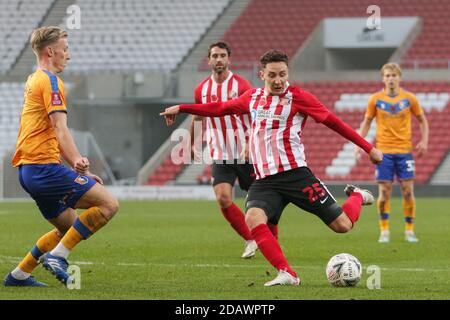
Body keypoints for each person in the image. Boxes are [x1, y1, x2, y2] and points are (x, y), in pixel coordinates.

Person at [161, 49, 383, 286]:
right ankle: (287, 273)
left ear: (288, 73)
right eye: (272, 75)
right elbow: (220, 109)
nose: (278, 80)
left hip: (296, 175)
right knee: (254, 218)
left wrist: (369, 148)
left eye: (282, 75)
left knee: (342, 226)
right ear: (262, 74)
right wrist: (182, 108)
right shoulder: (253, 98)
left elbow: (334, 123)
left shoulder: (299, 98)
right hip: (265, 180)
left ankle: (358, 196)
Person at [3, 26, 119, 287]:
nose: (69, 55)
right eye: (65, 50)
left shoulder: (34, 79)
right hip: (43, 168)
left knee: (69, 228)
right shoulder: (50, 81)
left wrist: (80, 171)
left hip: (29, 171)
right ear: (50, 51)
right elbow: (59, 127)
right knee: (109, 205)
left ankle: (19, 275)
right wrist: (78, 161)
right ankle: (57, 258)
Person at [189, 42, 259, 258]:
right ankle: (250, 239)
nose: (218, 60)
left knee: (262, 201)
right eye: (214, 56)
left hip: (246, 153)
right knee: (223, 198)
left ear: (229, 59)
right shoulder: (202, 89)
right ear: (209, 60)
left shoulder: (242, 85)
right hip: (220, 154)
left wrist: (249, 142)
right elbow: (198, 115)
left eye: (222, 56)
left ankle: (268, 240)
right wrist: (191, 142)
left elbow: (256, 115)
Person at [355, 62, 429, 243]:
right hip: (384, 152)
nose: (391, 79)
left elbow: (422, 120)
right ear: (383, 79)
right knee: (384, 192)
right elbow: (366, 123)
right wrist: (359, 144)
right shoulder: (375, 99)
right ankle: (384, 231)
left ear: (400, 78)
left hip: (405, 151)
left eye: (394, 75)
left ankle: (409, 230)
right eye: (387, 76)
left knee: (407, 191)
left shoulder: (410, 99)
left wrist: (424, 140)